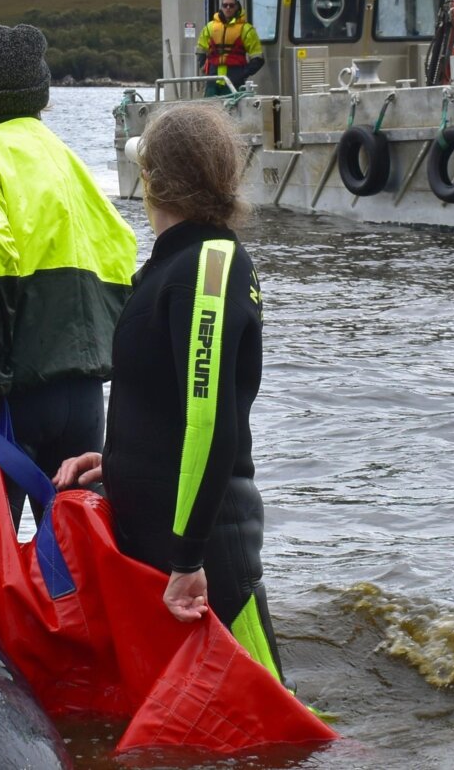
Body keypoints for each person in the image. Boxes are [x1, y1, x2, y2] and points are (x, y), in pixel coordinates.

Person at [51, 103, 284, 681]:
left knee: (279, 724)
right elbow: (165, 402)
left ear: (152, 178)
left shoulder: (208, 268)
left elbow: (209, 422)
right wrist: (118, 461)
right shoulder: (172, 266)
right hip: (164, 535)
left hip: (206, 547)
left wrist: (188, 558)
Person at [0, 24, 137, 523]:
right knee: (77, 549)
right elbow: (122, 253)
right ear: (40, 94)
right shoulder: (67, 161)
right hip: (83, 395)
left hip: (8, 390)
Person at [196, 0, 264, 90]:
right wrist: (204, 68)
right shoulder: (210, 27)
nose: (228, 8)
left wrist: (243, 73)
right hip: (213, 78)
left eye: (231, 5)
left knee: (234, 105)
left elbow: (258, 58)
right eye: (225, 5)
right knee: (210, 105)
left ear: (236, 7)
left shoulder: (246, 29)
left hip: (235, 79)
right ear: (221, 7)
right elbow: (201, 49)